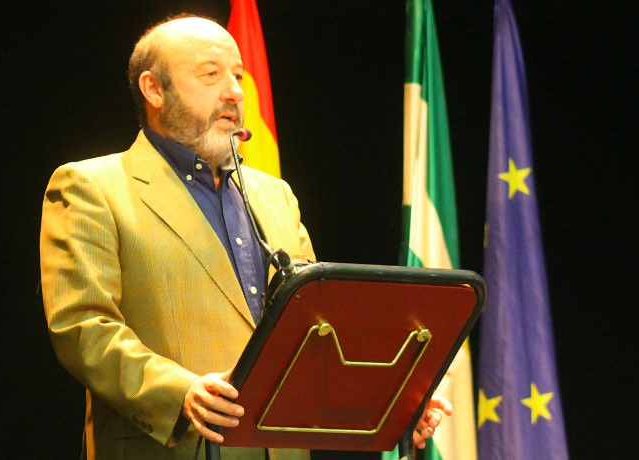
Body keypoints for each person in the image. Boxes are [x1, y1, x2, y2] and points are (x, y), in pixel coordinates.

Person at [39, 13, 452, 460]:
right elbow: (82, 327)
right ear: (154, 89)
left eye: (237, 76)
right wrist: (179, 391)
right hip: (175, 448)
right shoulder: (92, 187)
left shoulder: (275, 196)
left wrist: (391, 404)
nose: (234, 91)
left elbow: (317, 331)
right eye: (210, 75)